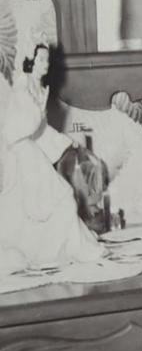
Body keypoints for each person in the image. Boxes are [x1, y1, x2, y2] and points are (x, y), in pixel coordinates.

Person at [0, 44, 104, 272]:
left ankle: (66, 248)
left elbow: (41, 130)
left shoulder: (37, 88)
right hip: (24, 157)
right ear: (30, 62)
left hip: (32, 154)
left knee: (58, 201)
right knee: (43, 205)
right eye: (40, 60)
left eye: (47, 60)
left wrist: (65, 142)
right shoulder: (21, 90)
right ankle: (48, 252)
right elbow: (15, 130)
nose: (45, 65)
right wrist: (37, 111)